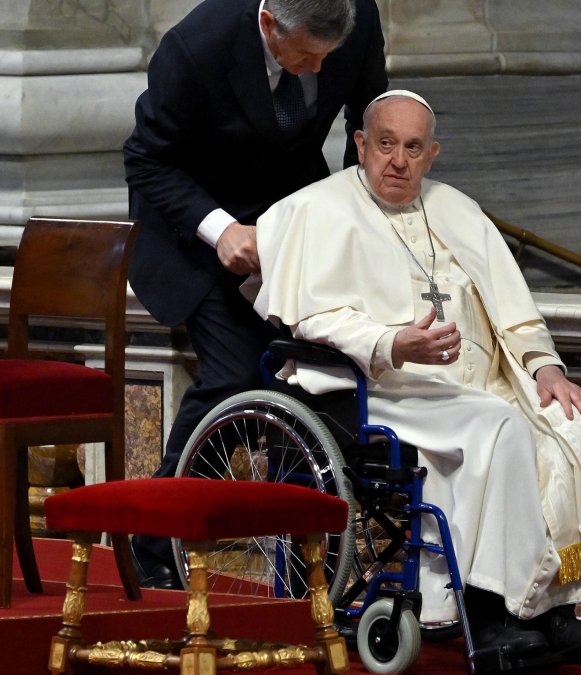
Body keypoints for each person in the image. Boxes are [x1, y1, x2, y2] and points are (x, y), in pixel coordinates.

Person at [246, 90, 581, 656]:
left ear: (432, 154)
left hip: (475, 386)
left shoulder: (456, 208)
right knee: (498, 430)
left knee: (574, 426)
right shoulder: (317, 210)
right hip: (381, 390)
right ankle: (489, 612)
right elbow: (315, 319)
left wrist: (546, 368)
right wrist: (392, 342)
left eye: (411, 148)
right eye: (384, 145)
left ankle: (554, 607)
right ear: (359, 144)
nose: (396, 161)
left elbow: (514, 307)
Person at [122, 0, 387, 588]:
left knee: (314, 378)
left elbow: (366, 127)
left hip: (291, 222)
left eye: (328, 56)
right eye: (306, 56)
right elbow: (146, 160)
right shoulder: (196, 46)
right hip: (194, 230)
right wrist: (220, 230)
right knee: (238, 377)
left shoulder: (356, 18)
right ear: (270, 24)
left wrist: (364, 215)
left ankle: (304, 566)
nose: (318, 67)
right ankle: (156, 543)